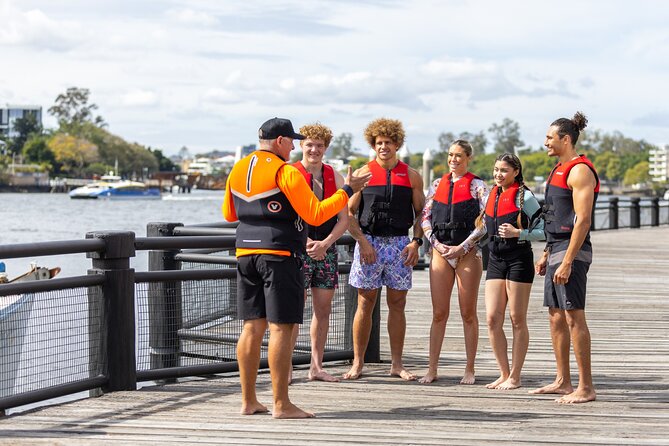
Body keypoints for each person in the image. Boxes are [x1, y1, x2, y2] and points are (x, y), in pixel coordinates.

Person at [222, 117, 370, 418]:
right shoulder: (284, 170)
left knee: (252, 326)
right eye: (291, 141)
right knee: (282, 326)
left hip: (245, 253)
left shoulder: (238, 169)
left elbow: (228, 213)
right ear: (279, 142)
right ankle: (281, 404)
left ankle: (249, 400)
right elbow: (315, 215)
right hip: (278, 254)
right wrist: (346, 191)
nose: (293, 146)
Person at [343, 118, 425, 381]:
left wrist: (416, 242)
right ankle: (357, 363)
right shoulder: (363, 175)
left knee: (397, 304)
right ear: (373, 145)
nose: (383, 147)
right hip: (370, 244)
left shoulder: (412, 175)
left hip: (400, 245)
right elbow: (348, 212)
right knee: (364, 303)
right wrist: (363, 242)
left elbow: (421, 213)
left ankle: (397, 364)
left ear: (397, 144)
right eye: (379, 143)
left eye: (388, 142)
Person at [529, 111, 599, 404]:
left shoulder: (580, 170)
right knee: (555, 316)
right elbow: (556, 214)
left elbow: (582, 220)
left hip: (573, 250)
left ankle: (586, 387)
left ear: (565, 139)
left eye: (549, 137)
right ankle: (563, 380)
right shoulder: (558, 169)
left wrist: (568, 260)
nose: (545, 141)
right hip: (556, 247)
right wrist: (547, 252)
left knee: (573, 316)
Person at [418, 139, 488, 385]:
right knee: (439, 313)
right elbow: (425, 218)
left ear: (468, 158)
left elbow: (485, 223)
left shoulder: (478, 186)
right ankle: (432, 368)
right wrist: (437, 245)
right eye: (450, 155)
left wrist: (462, 247)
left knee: (468, 313)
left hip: (467, 252)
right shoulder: (437, 184)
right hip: (441, 251)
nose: (453, 160)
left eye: (459, 156)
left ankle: (469, 369)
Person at [290, 122, 349, 383]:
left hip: (326, 249)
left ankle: (316, 365)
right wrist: (302, 243)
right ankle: (287, 366)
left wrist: (325, 243)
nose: (314, 149)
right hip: (297, 249)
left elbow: (343, 219)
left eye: (320, 145)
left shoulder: (334, 176)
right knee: (292, 311)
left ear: (326, 148)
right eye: (309, 144)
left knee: (322, 310)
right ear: (301, 146)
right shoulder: (290, 172)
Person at [483, 153, 545, 390]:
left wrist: (519, 233)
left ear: (516, 172)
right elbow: (483, 227)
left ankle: (516, 376)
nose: (499, 174)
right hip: (495, 259)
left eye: (504, 170)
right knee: (492, 319)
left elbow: (543, 232)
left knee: (516, 318)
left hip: (519, 259)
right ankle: (503, 373)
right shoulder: (493, 194)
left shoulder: (525, 197)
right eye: (496, 169)